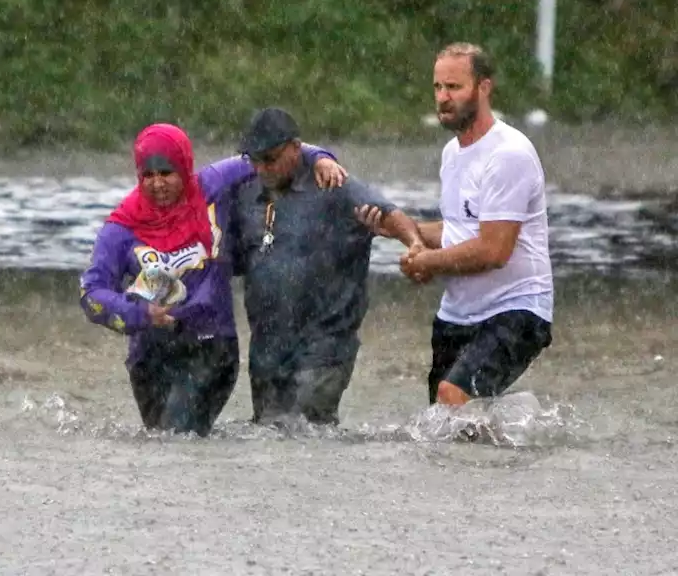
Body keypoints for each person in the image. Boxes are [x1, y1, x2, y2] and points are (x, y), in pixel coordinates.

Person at [79, 123, 347, 436]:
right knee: (161, 442)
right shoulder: (122, 228)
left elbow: (276, 153)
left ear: (184, 166)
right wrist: (140, 313)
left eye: (166, 173)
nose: (157, 184)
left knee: (176, 436)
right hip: (150, 356)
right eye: (148, 176)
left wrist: (321, 159)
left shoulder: (214, 185)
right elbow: (92, 293)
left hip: (211, 347)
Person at [357, 42, 554, 406]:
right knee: (444, 427)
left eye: (454, 87)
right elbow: (459, 231)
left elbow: (494, 250)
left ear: (484, 88)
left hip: (517, 309)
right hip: (458, 312)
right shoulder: (452, 154)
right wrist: (405, 230)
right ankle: (517, 424)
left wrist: (426, 263)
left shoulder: (508, 153)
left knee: (453, 397)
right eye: (437, 88)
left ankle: (528, 441)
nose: (443, 98)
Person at [229, 108, 425, 426]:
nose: (262, 167)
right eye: (254, 159)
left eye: (270, 158)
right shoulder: (246, 189)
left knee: (300, 430)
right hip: (268, 347)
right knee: (269, 438)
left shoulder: (333, 183)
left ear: (295, 147)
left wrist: (416, 247)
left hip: (326, 344)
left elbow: (390, 214)